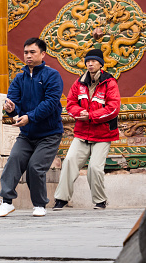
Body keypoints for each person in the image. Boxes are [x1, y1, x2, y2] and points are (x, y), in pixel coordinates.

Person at [0, 37, 63, 218]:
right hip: (27, 134)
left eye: (32, 52)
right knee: (13, 160)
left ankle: (40, 204)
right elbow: (14, 102)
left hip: (49, 134)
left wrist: (29, 117)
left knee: (35, 167)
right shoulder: (19, 78)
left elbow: (50, 103)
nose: (28, 56)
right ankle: (7, 202)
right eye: (26, 52)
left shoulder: (52, 76)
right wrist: (11, 109)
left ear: (43, 54)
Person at [53, 49, 120, 210]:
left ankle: (100, 201)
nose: (90, 64)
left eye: (94, 61)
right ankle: (61, 199)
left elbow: (113, 108)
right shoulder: (79, 82)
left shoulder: (109, 82)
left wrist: (90, 116)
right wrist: (79, 113)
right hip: (82, 133)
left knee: (95, 168)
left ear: (101, 64)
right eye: (88, 61)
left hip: (103, 134)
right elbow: (70, 104)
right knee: (69, 161)